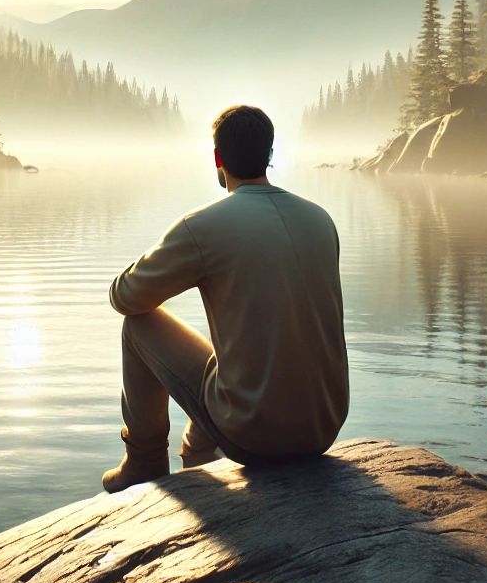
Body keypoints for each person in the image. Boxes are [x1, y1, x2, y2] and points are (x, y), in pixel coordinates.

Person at [101, 104, 349, 492]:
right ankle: (198, 459)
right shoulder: (320, 219)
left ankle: (144, 461)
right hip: (324, 428)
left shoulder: (203, 227)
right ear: (269, 154)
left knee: (139, 326)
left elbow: (126, 297)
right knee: (230, 356)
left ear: (217, 157)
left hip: (256, 437)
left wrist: (157, 254)